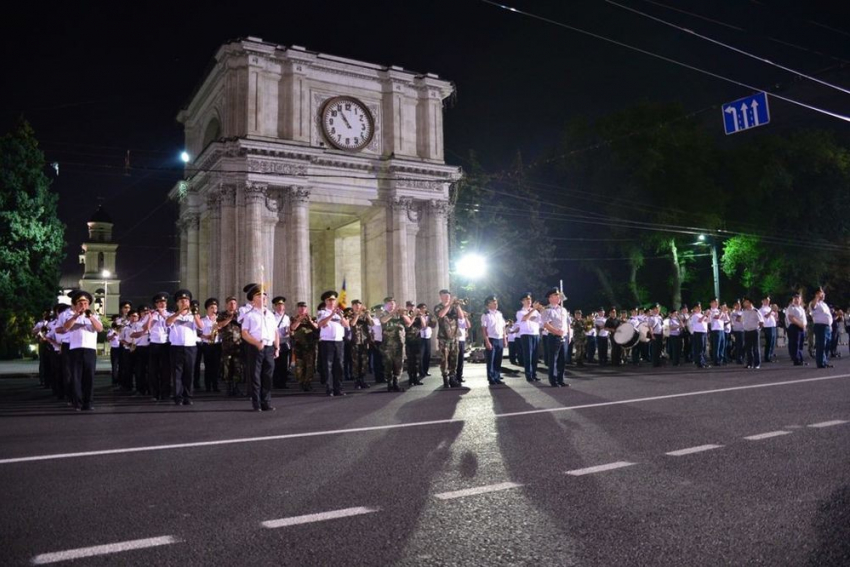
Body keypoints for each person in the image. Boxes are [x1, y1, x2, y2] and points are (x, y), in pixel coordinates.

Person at [240, 283, 279, 411]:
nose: (263, 298)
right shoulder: (249, 315)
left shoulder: (271, 315)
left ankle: (266, 401)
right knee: (255, 376)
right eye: (259, 295)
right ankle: (256, 403)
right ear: (253, 299)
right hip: (256, 347)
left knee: (268, 376)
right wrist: (256, 343)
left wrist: (277, 347)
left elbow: (275, 332)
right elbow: (244, 333)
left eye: (264, 295)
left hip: (269, 347)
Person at [62, 290, 103, 410]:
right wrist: (76, 315)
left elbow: (99, 329)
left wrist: (90, 317)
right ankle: (77, 403)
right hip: (75, 349)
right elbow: (66, 327)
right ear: (75, 304)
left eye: (85, 303)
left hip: (89, 349)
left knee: (89, 377)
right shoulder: (70, 315)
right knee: (76, 377)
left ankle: (88, 402)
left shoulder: (94, 316)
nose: (83, 305)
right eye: (80, 303)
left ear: (89, 304)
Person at [167, 289, 202, 406]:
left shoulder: (193, 315)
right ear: (177, 303)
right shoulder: (172, 315)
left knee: (189, 373)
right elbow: (168, 322)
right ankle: (178, 397)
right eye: (181, 301)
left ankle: (188, 396)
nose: (184, 303)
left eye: (186, 300)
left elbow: (201, 327)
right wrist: (178, 313)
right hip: (176, 347)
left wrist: (195, 315)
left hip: (190, 347)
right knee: (177, 374)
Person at [317, 290, 349, 397]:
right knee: (328, 366)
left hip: (339, 341)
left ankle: (338, 388)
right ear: (325, 302)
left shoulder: (340, 312)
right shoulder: (322, 312)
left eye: (333, 300)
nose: (331, 302)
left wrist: (341, 315)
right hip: (327, 342)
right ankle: (329, 388)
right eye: (329, 300)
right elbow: (321, 324)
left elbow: (346, 325)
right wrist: (332, 315)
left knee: (339, 365)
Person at [434, 289, 466, 388]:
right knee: (444, 359)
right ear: (440, 296)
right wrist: (449, 304)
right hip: (444, 337)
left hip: (455, 336)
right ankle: (445, 378)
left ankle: (453, 377)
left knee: (454, 358)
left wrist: (457, 305)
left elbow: (461, 317)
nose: (447, 297)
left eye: (448, 295)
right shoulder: (438, 307)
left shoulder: (454, 306)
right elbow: (441, 315)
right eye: (445, 296)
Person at [378, 296, 411, 392]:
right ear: (386, 305)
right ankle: (389, 383)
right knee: (388, 364)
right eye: (389, 303)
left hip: (399, 343)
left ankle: (396, 382)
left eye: (393, 303)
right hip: (387, 345)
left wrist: (403, 315)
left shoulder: (399, 314)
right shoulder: (383, 313)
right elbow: (383, 320)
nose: (392, 305)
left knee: (399, 364)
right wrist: (393, 313)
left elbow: (408, 323)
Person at [540, 288, 570, 387]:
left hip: (564, 337)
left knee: (562, 359)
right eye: (556, 295)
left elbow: (567, 323)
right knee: (553, 360)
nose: (558, 297)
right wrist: (557, 332)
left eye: (558, 295)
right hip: (554, 337)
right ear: (550, 298)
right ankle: (553, 380)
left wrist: (568, 335)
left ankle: (561, 379)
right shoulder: (547, 310)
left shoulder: (563, 309)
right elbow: (546, 325)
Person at [146, 292, 172, 401]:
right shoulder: (151, 314)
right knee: (153, 370)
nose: (162, 304)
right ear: (156, 304)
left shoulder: (170, 314)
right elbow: (147, 328)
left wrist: (162, 314)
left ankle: (165, 393)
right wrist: (151, 317)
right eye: (159, 303)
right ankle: (155, 394)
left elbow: (170, 324)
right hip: (154, 344)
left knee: (166, 370)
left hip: (166, 344)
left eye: (164, 302)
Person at [218, 296, 245, 397]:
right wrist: (230, 318)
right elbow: (219, 325)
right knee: (227, 368)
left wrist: (237, 317)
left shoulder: (240, 315)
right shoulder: (222, 315)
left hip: (238, 345)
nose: (232, 305)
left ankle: (236, 387)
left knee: (237, 367)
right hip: (227, 346)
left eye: (234, 303)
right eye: (230, 303)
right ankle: (229, 388)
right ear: (226, 304)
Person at [291, 301, 319, 391]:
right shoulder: (294, 318)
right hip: (299, 346)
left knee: (310, 366)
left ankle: (308, 382)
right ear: (297, 309)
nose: (302, 309)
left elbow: (316, 327)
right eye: (300, 307)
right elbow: (293, 328)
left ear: (306, 309)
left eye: (304, 307)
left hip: (310, 346)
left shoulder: (312, 318)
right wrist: (300, 319)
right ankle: (301, 382)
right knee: (299, 366)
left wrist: (310, 321)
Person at [481, 295, 507, 386]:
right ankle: (491, 378)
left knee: (498, 359)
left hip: (499, 338)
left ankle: (497, 376)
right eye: (493, 302)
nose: (496, 304)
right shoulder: (486, 314)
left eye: (496, 302)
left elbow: (503, 327)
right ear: (488, 304)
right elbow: (484, 329)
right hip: (491, 339)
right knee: (491, 360)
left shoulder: (499, 314)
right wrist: (487, 341)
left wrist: (504, 339)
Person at [516, 293, 542, 381]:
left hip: (535, 334)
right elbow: (525, 318)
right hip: (526, 335)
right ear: (522, 301)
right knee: (528, 356)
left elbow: (541, 320)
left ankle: (534, 374)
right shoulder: (520, 312)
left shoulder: (535, 311)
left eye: (530, 299)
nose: (529, 301)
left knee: (535, 356)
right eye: (527, 299)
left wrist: (542, 311)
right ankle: (529, 375)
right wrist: (534, 309)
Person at [348, 300, 372, 390]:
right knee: (356, 362)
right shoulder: (350, 314)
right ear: (352, 306)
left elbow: (372, 324)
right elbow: (352, 324)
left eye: (359, 304)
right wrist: (357, 314)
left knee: (364, 362)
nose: (358, 306)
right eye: (355, 305)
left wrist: (368, 315)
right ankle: (356, 381)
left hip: (364, 341)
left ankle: (362, 380)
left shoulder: (364, 315)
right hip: (355, 341)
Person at [198, 298, 222, 392]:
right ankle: (208, 386)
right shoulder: (203, 320)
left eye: (215, 308)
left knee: (216, 366)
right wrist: (205, 336)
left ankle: (215, 385)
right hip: (207, 345)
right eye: (212, 307)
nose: (214, 310)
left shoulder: (219, 320)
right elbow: (198, 332)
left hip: (217, 344)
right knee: (208, 366)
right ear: (207, 309)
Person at [271, 296, 291, 390]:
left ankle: (283, 382)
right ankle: (275, 382)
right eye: (278, 305)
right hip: (274, 341)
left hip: (284, 341)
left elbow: (288, 328)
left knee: (284, 364)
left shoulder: (286, 317)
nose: (280, 307)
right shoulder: (271, 316)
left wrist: (288, 331)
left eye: (282, 305)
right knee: (275, 363)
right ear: (275, 306)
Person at [810, 288, 833, 369]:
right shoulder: (814, 303)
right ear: (817, 294)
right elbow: (813, 306)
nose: (824, 295)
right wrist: (817, 297)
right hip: (820, 327)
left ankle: (825, 361)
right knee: (821, 345)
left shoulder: (824, 304)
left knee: (827, 345)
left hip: (827, 327)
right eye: (822, 293)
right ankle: (820, 363)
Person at [785, 293, 807, 366]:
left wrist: (804, 326)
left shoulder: (801, 308)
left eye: (798, 298)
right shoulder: (791, 307)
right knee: (795, 344)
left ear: (800, 300)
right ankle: (796, 360)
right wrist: (801, 325)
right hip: (795, 327)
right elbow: (791, 318)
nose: (796, 300)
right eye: (795, 298)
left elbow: (803, 319)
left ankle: (800, 359)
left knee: (800, 344)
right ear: (793, 299)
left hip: (801, 327)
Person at [741, 297, 764, 369]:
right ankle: (749, 363)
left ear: (750, 302)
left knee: (755, 348)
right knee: (748, 348)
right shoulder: (744, 311)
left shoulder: (755, 311)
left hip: (754, 330)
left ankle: (757, 363)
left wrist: (759, 329)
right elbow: (742, 320)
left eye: (746, 302)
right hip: (747, 331)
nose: (744, 303)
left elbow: (761, 322)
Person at [417, 303, 436, 377]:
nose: (423, 309)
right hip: (420, 337)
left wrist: (429, 322)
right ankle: (421, 371)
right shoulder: (417, 317)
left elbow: (434, 324)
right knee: (421, 355)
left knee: (427, 355)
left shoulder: (429, 316)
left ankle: (426, 370)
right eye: (422, 308)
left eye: (424, 308)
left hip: (428, 336)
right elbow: (420, 325)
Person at [689, 303, 709, 368]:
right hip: (698, 333)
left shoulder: (701, 314)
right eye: (698, 307)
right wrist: (705, 315)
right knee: (699, 348)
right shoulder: (694, 315)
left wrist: (707, 315)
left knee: (703, 348)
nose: (699, 308)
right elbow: (700, 320)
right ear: (694, 309)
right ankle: (699, 362)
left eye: (700, 307)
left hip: (703, 332)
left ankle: (703, 361)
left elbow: (707, 321)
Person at [760, 296, 777, 363]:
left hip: (772, 326)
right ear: (763, 301)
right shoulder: (762, 309)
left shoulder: (769, 308)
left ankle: (770, 355)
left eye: (768, 300)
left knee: (773, 342)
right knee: (769, 342)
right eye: (766, 300)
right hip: (767, 327)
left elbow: (773, 315)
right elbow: (766, 316)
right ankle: (767, 357)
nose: (768, 302)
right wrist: (771, 310)